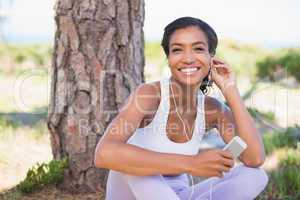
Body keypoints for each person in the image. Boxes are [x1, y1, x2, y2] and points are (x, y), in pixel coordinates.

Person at [94, 16, 269, 200]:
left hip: (178, 195)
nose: (187, 58)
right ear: (169, 58)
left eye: (198, 49)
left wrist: (230, 90)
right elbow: (104, 153)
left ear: (212, 57)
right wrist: (192, 163)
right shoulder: (148, 95)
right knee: (134, 164)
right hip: (133, 190)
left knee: (254, 175)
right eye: (177, 50)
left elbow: (254, 159)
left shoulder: (211, 109)